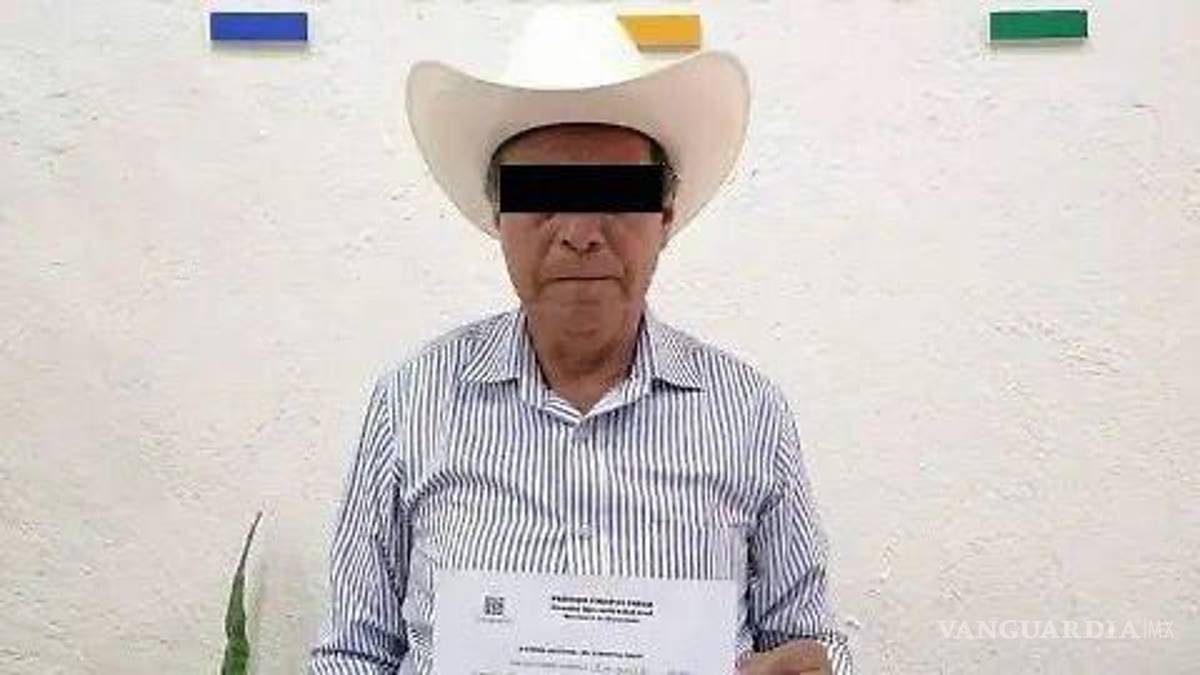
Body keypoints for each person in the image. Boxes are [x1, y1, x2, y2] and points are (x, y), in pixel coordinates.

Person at [308, 6, 855, 674]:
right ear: (497, 214)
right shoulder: (410, 400)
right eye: (543, 193)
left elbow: (810, 639)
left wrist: (815, 667)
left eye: (615, 194)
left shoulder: (750, 413)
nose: (579, 232)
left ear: (664, 215)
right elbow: (352, 653)